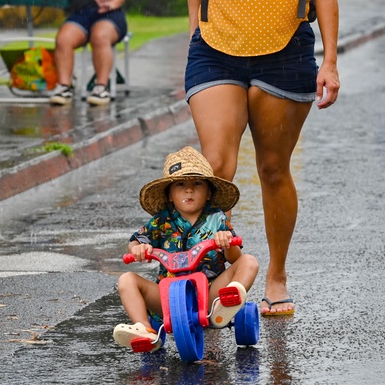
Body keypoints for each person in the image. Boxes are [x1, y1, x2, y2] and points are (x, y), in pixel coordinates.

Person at [184, 0, 340, 317]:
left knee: (273, 168)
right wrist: (194, 32)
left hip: (285, 45)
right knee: (215, 167)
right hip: (215, 43)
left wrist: (331, 61)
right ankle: (216, 271)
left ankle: (276, 276)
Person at [113, 146, 259, 352]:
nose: (189, 190)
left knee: (249, 262)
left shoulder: (217, 218)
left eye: (197, 184)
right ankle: (145, 329)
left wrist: (225, 241)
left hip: (210, 295)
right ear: (170, 194)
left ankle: (228, 301)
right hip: (167, 296)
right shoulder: (161, 221)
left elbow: (235, 258)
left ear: (208, 192)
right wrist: (138, 248)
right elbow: (137, 240)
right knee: (126, 280)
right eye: (180, 184)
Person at [48, 0, 127, 106]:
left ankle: (101, 87)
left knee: (100, 36)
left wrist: (116, 2)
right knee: (64, 39)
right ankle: (64, 87)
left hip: (110, 14)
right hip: (81, 13)